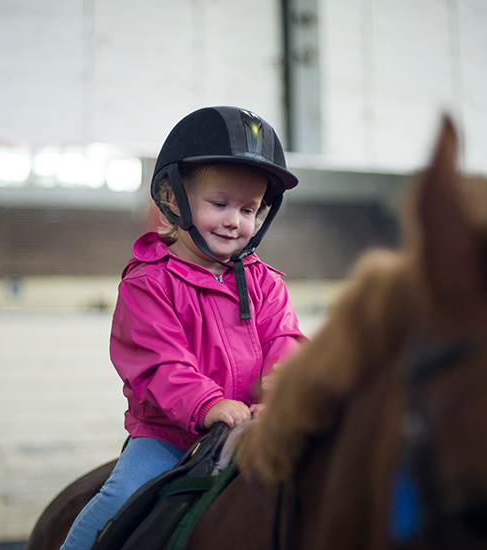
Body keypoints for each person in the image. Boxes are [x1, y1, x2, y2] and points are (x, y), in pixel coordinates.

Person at [60, 106, 306, 549]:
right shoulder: (148, 283)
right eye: (220, 204)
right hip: (170, 435)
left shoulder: (266, 282)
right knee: (118, 499)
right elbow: (157, 363)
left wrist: (279, 399)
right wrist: (209, 404)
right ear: (173, 197)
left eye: (249, 209)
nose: (235, 221)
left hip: (254, 424)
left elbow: (284, 345)